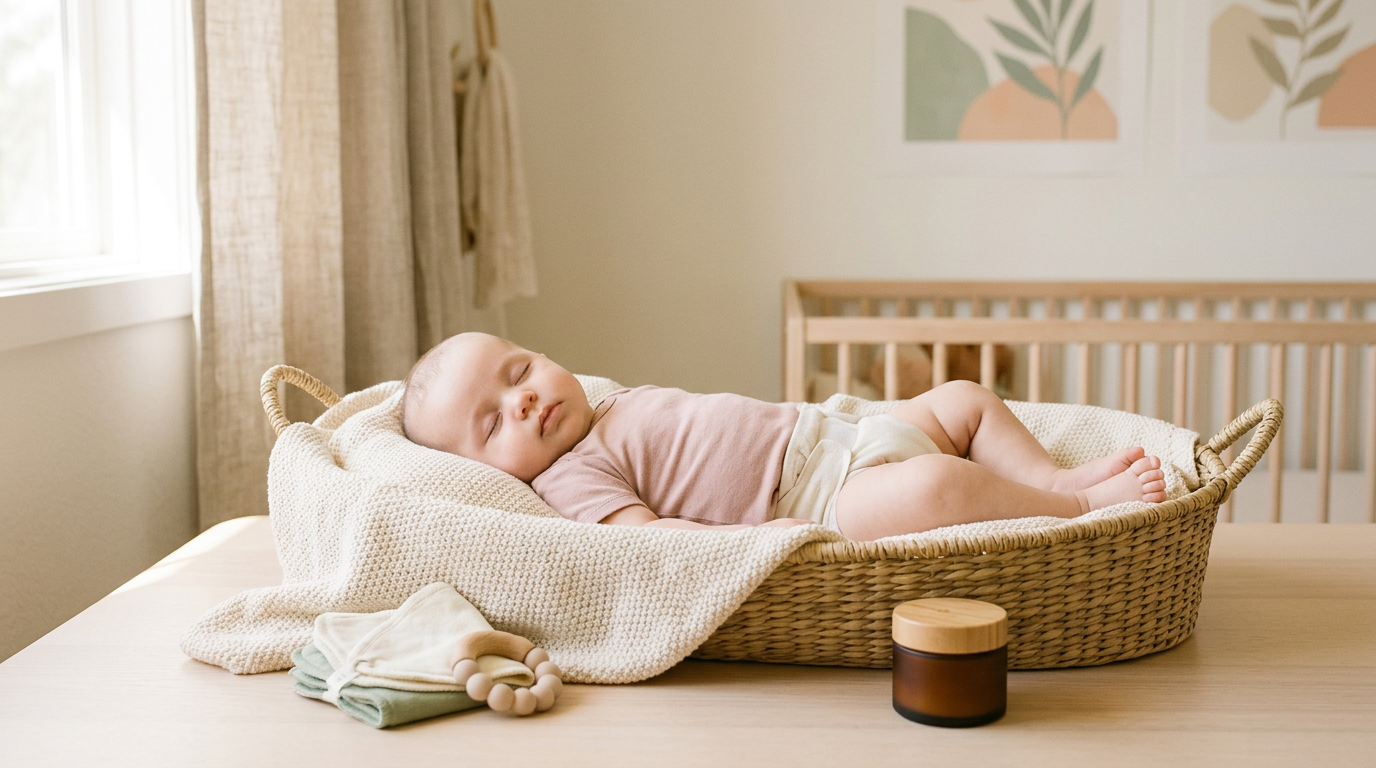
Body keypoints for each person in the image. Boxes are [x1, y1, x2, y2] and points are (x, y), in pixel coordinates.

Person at [401, 333, 1167, 541]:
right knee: (937, 486)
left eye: (518, 370)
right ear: (482, 467)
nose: (526, 398)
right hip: (824, 497)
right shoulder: (571, 477)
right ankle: (1079, 508)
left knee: (964, 397)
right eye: (494, 421)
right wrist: (768, 541)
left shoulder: (608, 404)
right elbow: (651, 537)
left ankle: (1049, 478)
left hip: (844, 433)